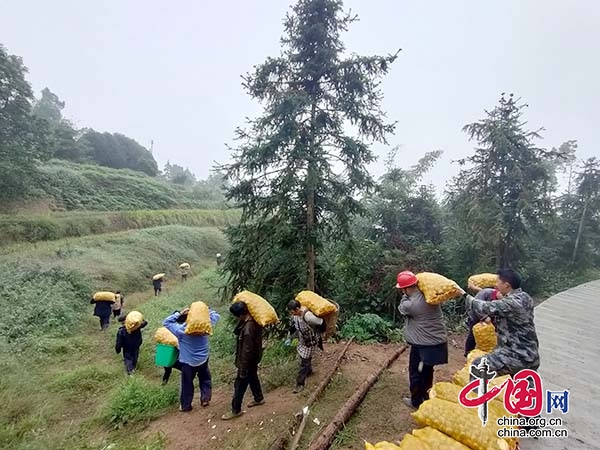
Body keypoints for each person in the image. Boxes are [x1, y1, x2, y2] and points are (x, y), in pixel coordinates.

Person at [463, 268, 540, 377]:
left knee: (478, 366)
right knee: (521, 390)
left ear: (507, 285)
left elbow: (484, 307)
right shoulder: (525, 297)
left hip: (517, 355)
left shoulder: (512, 302)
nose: (495, 285)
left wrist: (463, 294)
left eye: (498, 282)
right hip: (530, 354)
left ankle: (478, 394)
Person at [396, 270, 448, 410]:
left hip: (423, 345)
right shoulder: (428, 295)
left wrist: (404, 295)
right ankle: (426, 397)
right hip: (435, 343)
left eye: (402, 289)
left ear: (405, 289)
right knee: (427, 371)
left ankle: (416, 401)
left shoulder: (410, 304)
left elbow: (401, 308)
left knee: (416, 373)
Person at [163, 307, 221, 412]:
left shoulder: (181, 331)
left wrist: (179, 313)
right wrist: (203, 310)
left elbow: (166, 322)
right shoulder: (205, 327)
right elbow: (216, 315)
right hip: (203, 359)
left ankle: (186, 406)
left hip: (187, 362)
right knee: (205, 378)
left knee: (187, 383)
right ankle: (205, 399)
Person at [222, 302, 265, 420]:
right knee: (253, 377)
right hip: (254, 358)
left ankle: (235, 410)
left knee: (239, 385)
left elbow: (247, 351)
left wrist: (243, 368)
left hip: (247, 361)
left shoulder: (248, 329)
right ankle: (258, 398)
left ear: (240, 314)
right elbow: (237, 331)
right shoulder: (252, 321)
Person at [287, 299, 325, 394]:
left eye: (292, 312)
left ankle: (300, 383)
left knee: (304, 361)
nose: (292, 314)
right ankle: (309, 370)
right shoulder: (295, 315)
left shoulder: (308, 316)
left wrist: (321, 334)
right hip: (303, 339)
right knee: (303, 357)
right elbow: (294, 326)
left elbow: (321, 322)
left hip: (310, 341)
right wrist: (290, 337)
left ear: (297, 309)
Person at [463, 285, 502, 357]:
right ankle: (468, 353)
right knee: (473, 334)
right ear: (498, 291)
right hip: (475, 316)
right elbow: (475, 306)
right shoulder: (486, 293)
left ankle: (486, 353)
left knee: (490, 335)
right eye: (502, 295)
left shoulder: (502, 301)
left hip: (490, 318)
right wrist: (484, 317)